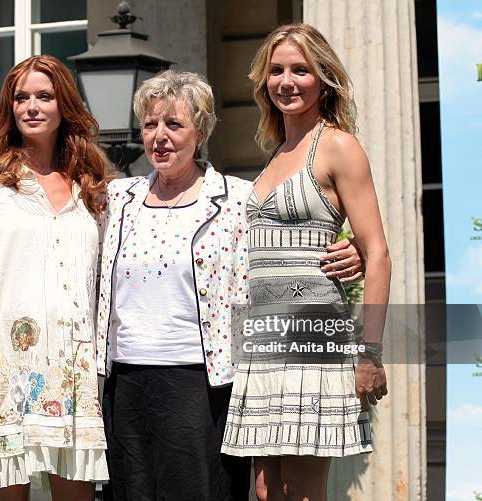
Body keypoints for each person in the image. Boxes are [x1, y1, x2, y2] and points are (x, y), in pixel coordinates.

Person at [95, 70, 365, 501]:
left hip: (202, 383)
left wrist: (358, 251)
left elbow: (286, 249)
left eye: (174, 125)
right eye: (150, 126)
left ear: (200, 132)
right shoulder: (117, 199)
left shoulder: (238, 199)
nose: (160, 137)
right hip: (124, 383)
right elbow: (64, 242)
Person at [221, 24, 392, 501]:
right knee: (264, 489)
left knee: (302, 491)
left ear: (323, 79)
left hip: (313, 337)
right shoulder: (275, 153)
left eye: (300, 69)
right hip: (262, 338)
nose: (286, 81)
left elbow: (377, 251)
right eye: (276, 71)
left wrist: (370, 354)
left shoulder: (337, 145)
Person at [0, 55, 110, 500]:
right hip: (3, 367)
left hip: (73, 371)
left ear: (63, 105)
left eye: (44, 96)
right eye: (21, 97)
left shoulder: (91, 186)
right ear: (9, 108)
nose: (31, 106)